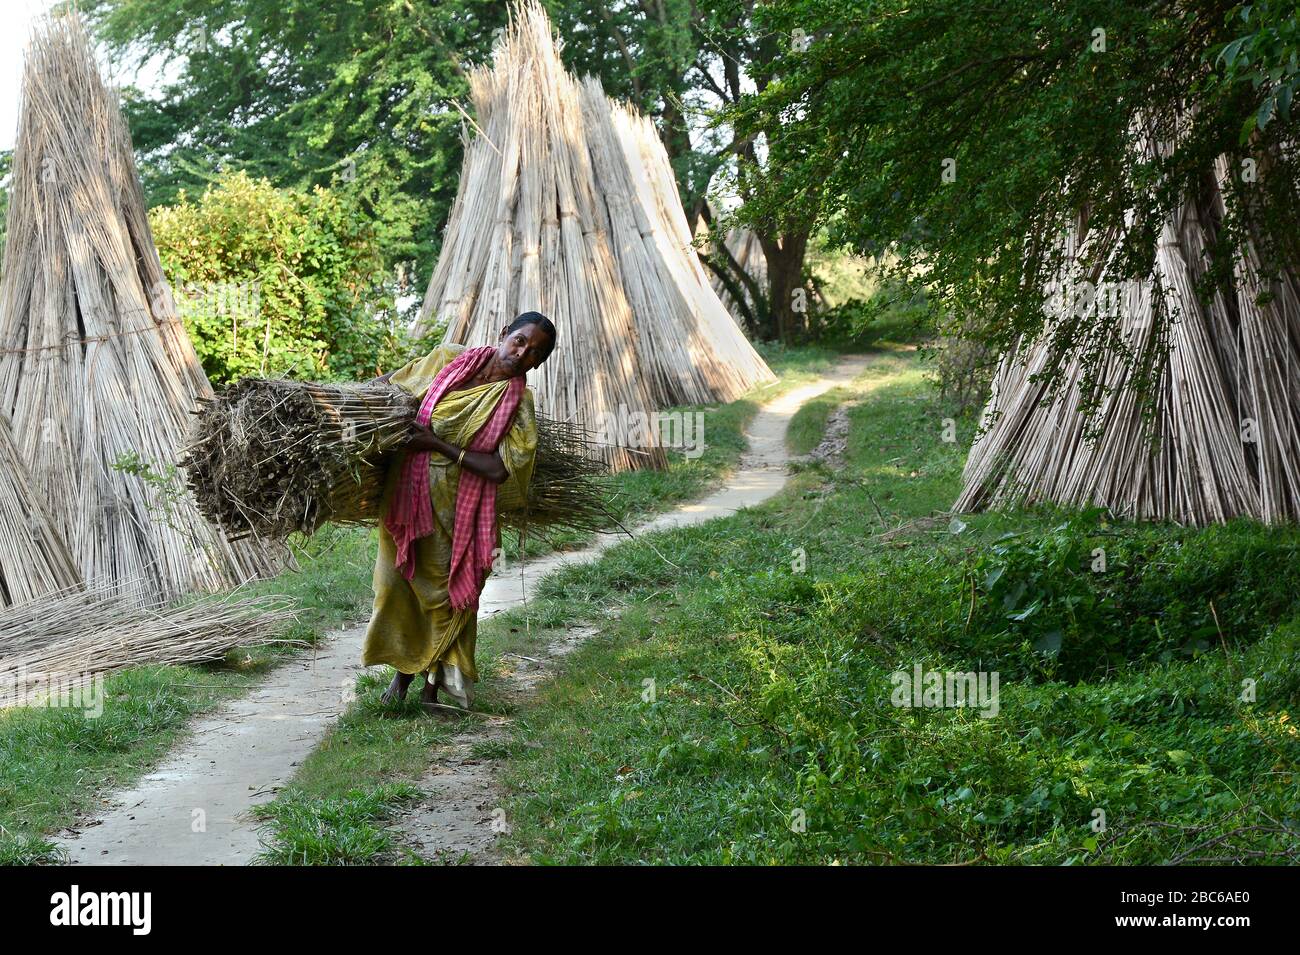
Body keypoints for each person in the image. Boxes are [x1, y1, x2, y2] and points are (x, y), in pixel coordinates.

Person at [361, 311, 557, 713]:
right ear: (503, 334)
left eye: (534, 352)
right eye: (519, 341)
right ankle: (402, 673)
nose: (521, 354)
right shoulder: (449, 358)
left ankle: (431, 688)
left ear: (537, 364)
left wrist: (437, 445)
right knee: (394, 583)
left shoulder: (518, 403)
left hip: (459, 510)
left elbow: (501, 468)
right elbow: (394, 386)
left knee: (443, 594)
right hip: (405, 494)